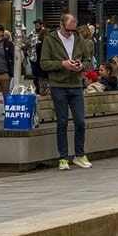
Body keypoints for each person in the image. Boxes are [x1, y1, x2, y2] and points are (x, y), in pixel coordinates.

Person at [39, 12, 94, 170]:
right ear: (61, 25)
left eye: (72, 30)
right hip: (59, 85)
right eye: (67, 30)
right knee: (62, 122)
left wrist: (81, 66)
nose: (70, 33)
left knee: (80, 121)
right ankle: (63, 158)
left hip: (76, 85)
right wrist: (62, 64)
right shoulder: (50, 39)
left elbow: (88, 60)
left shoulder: (79, 39)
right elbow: (44, 63)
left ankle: (79, 154)